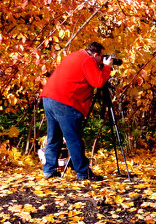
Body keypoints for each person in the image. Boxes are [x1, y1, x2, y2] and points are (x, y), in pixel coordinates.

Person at [41, 42, 113, 181]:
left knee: (54, 137)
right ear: (96, 54)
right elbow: (98, 82)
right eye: (102, 57)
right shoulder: (88, 59)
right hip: (65, 101)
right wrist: (106, 68)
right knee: (74, 139)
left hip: (49, 97)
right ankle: (83, 172)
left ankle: (49, 171)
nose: (102, 60)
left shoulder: (73, 55)